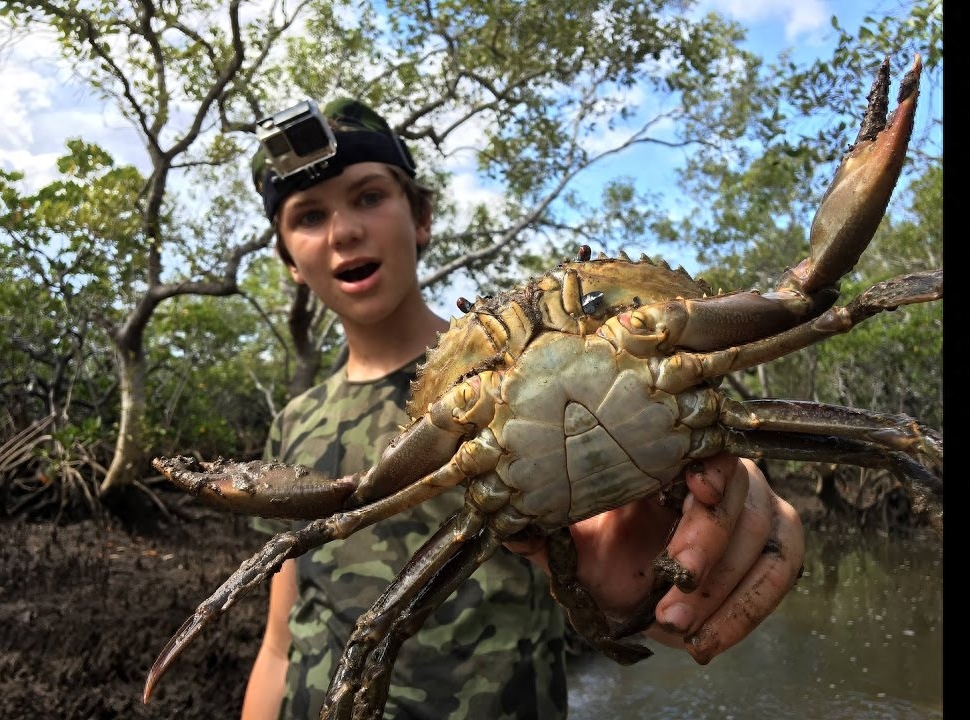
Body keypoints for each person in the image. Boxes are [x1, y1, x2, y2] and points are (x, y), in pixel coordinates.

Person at [242, 98, 805, 720]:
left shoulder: (612, 360)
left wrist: (688, 533)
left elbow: (629, 571)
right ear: (288, 261)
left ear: (422, 215)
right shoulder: (296, 424)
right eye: (309, 216)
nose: (344, 230)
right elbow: (279, 642)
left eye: (369, 196)